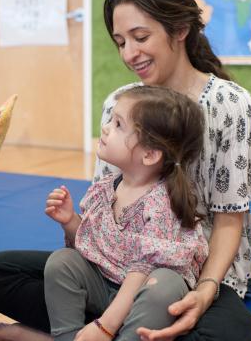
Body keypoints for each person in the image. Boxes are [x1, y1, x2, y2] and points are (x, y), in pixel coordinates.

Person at [0, 0, 251, 341]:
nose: (129, 54)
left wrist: (203, 292)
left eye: (140, 37)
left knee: (235, 336)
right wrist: (73, 226)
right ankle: (122, 327)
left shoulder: (230, 104)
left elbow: (230, 219)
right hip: (116, 266)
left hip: (188, 272)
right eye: (120, 42)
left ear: (179, 30)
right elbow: (107, 211)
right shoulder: (121, 103)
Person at [44, 85, 208, 341]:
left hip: (143, 291)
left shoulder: (160, 202)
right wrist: (71, 221)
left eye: (119, 124)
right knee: (62, 261)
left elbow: (142, 270)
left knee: (163, 287)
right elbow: (93, 246)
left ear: (150, 154)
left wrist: (105, 327)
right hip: (107, 284)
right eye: (111, 120)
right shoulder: (105, 189)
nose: (106, 127)